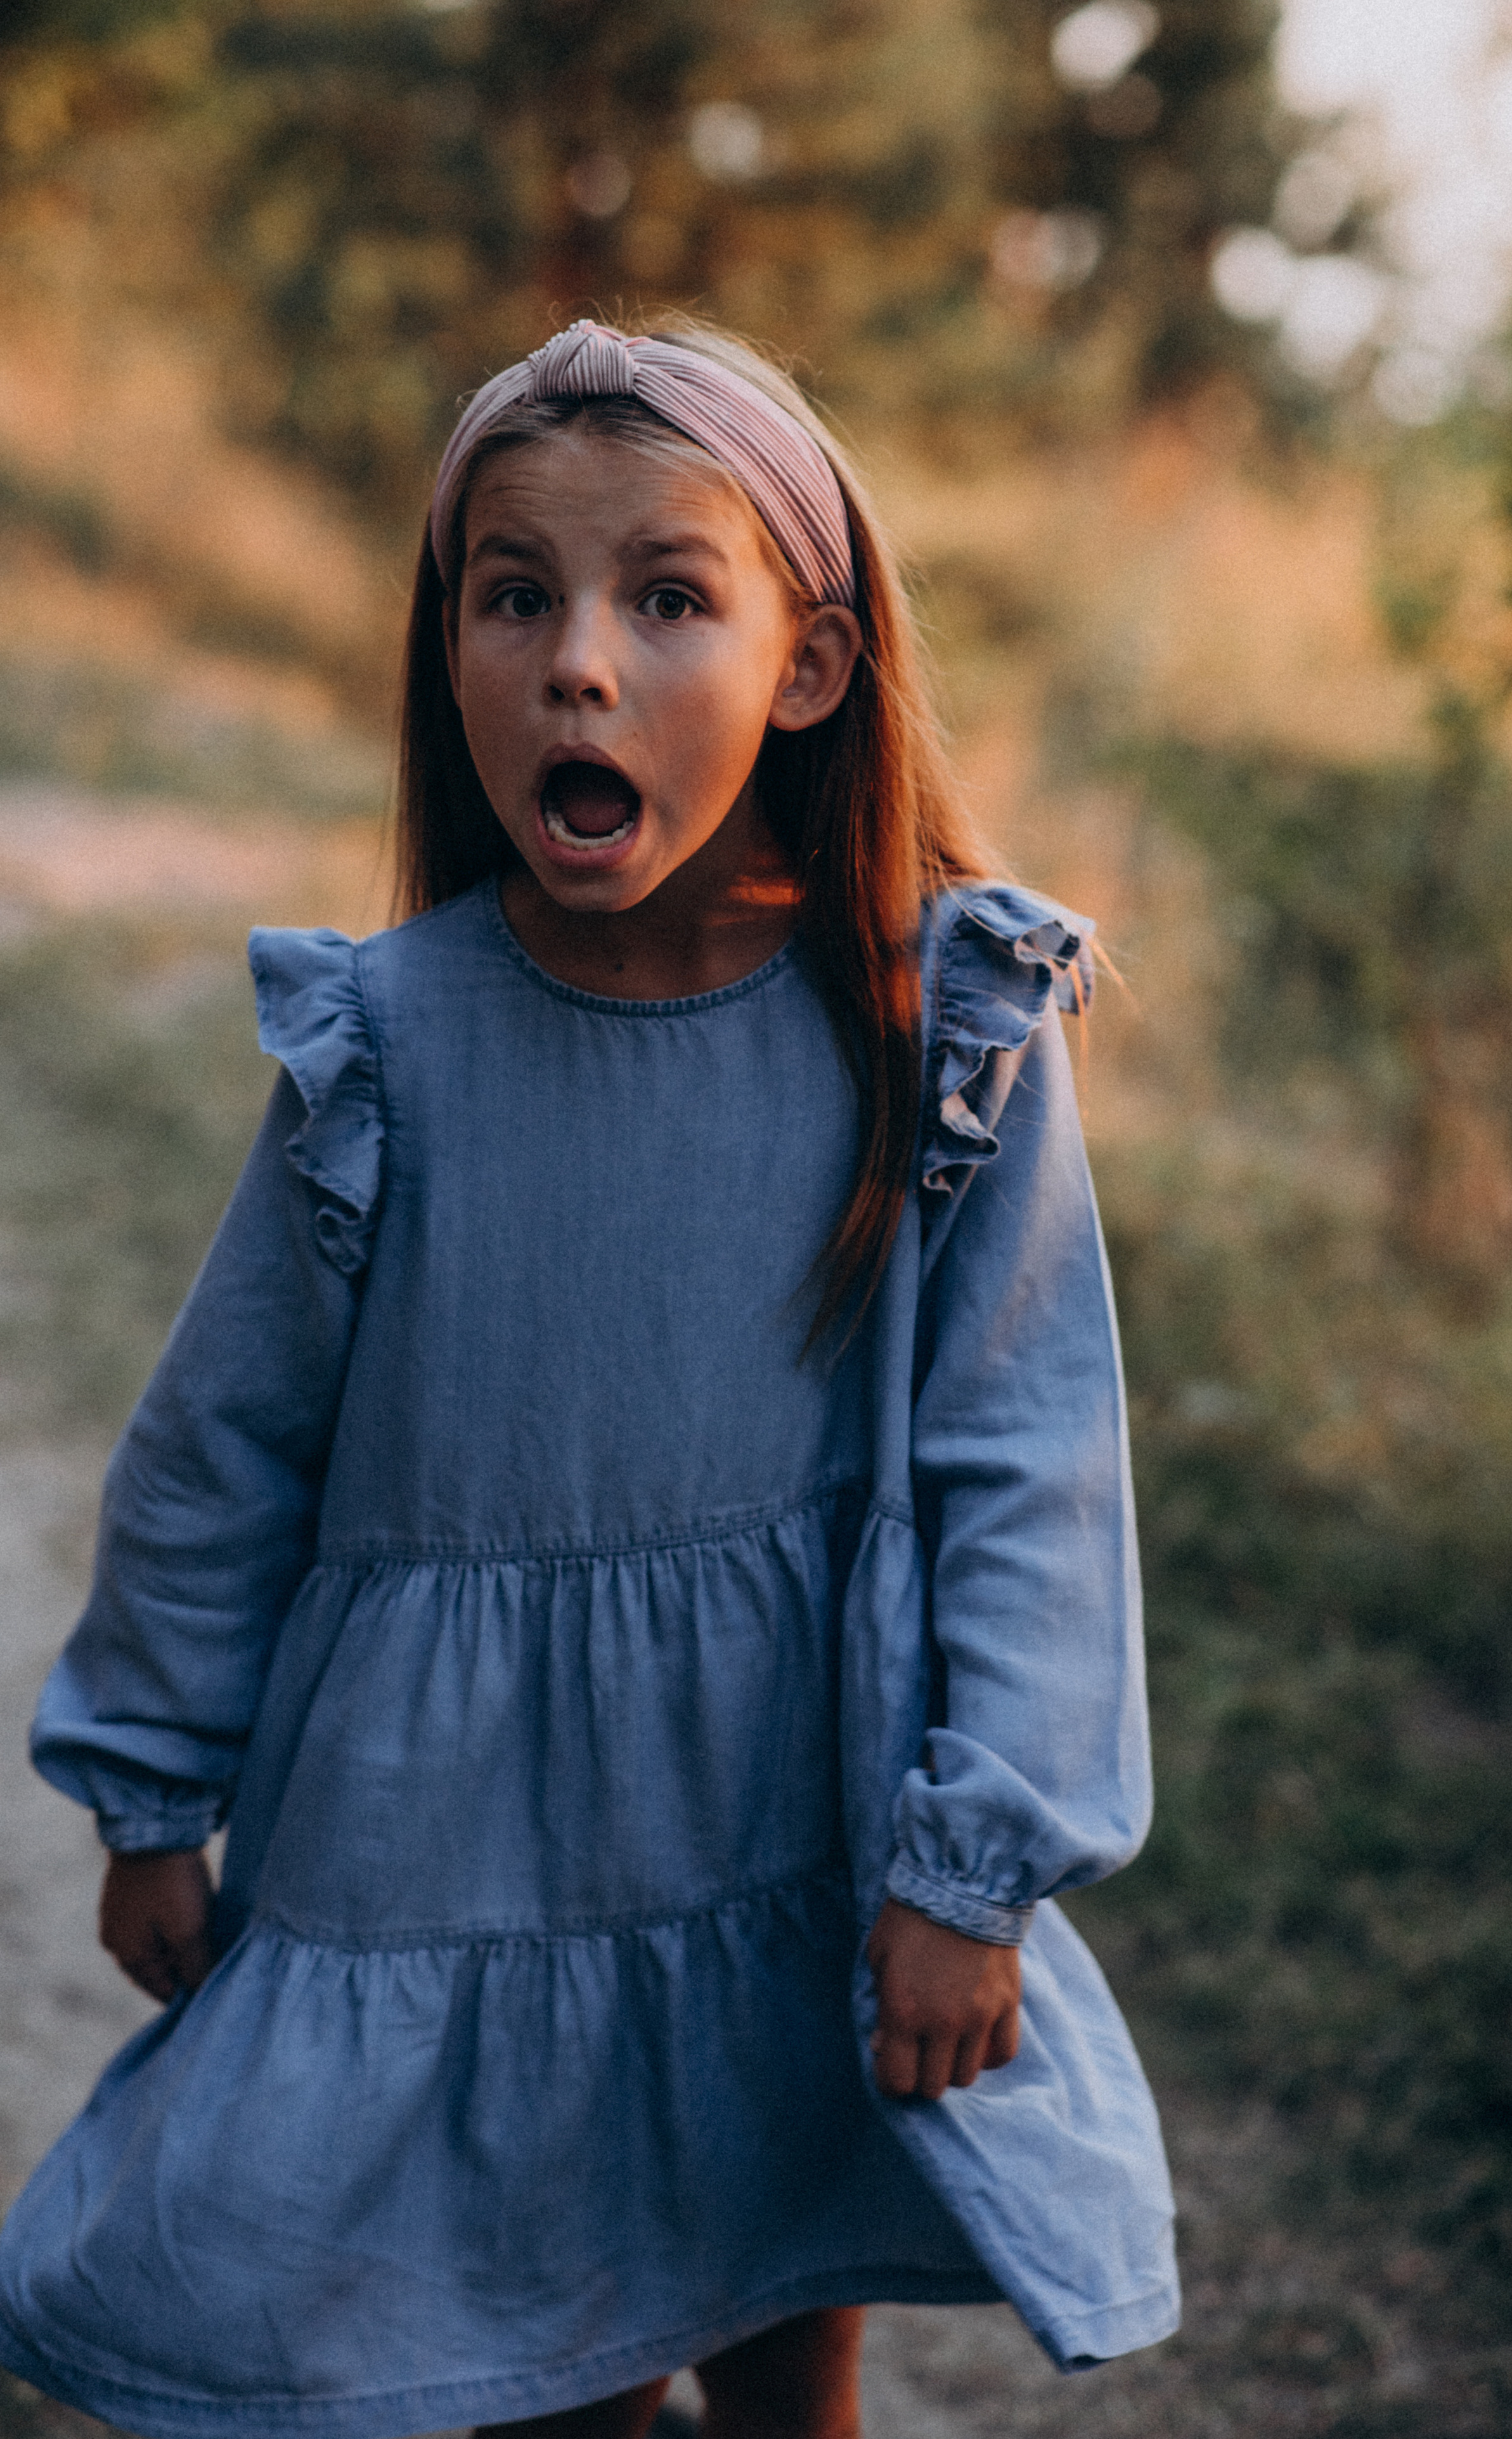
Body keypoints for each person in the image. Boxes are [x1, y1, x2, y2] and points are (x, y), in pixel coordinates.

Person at [0, 318, 1177, 2439]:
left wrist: (973, 1868)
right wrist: (151, 1789)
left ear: (810, 666)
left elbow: (1031, 1465)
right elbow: (224, 1445)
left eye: (668, 600)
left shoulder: (938, 1034)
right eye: (515, 595)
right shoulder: (386, 1048)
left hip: (787, 1825)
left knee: (785, 2345)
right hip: (456, 1855)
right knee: (548, 2383)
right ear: (446, 649)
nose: (576, 665)